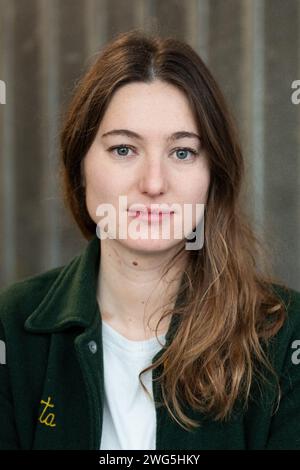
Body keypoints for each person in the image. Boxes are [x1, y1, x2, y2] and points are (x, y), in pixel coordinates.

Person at [0, 29, 300, 451]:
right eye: (124, 149)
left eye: (182, 152)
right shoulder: (12, 328)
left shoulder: (286, 337)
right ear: (79, 166)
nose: (154, 183)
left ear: (214, 175)